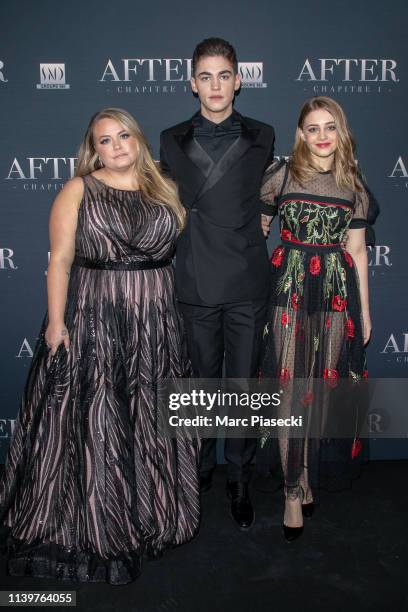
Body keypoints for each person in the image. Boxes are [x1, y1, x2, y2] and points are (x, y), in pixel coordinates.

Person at [0, 108, 200, 584]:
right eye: (104, 141)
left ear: (138, 139)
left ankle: (151, 516)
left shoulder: (165, 190)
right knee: (100, 418)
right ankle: (100, 521)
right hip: (96, 317)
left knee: (149, 418)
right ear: (94, 149)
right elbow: (61, 262)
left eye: (123, 135)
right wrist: (55, 323)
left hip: (154, 322)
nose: (116, 146)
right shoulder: (79, 189)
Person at [160, 38, 275, 530]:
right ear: (192, 83)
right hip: (196, 279)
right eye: (204, 76)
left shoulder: (264, 135)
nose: (215, 85)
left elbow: (274, 190)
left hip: (248, 280)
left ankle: (240, 478)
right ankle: (201, 467)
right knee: (203, 385)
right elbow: (158, 198)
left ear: (238, 79)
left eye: (223, 75)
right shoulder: (167, 139)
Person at [258, 96, 379, 541]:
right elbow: (257, 234)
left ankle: (305, 472)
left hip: (334, 291)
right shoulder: (281, 175)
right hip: (287, 289)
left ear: (341, 132)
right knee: (290, 389)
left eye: (330, 127)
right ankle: (292, 492)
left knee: (319, 391)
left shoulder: (353, 184)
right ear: (301, 133)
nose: (322, 136)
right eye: (313, 128)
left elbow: (358, 253)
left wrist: (364, 311)